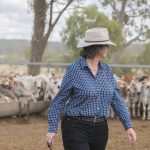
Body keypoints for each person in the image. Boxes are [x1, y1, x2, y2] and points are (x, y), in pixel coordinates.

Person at [46, 27, 136, 150]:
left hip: (100, 129)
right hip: (75, 127)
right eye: (106, 45)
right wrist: (52, 129)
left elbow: (116, 99)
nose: (108, 48)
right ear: (97, 47)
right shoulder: (74, 70)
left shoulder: (107, 71)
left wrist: (128, 126)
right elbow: (59, 100)